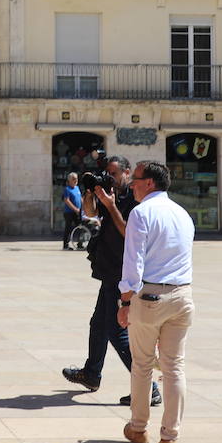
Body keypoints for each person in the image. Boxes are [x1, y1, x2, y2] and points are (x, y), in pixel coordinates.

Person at [62, 156, 161, 408]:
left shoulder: (132, 199)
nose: (111, 178)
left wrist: (111, 204)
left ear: (127, 173)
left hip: (122, 272)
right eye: (108, 173)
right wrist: (90, 193)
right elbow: (92, 213)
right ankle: (92, 373)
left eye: (115, 174)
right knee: (98, 324)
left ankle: (149, 387)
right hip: (109, 269)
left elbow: (128, 232)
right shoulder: (111, 193)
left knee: (117, 332)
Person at [118, 160, 195, 443]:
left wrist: (125, 301)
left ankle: (138, 428)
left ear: (149, 182)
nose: (131, 184)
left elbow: (133, 263)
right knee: (174, 367)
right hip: (183, 295)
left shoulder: (141, 213)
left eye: (135, 179)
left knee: (142, 364)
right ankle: (170, 438)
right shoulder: (182, 213)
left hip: (150, 296)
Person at [62, 172, 83, 250]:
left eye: (76, 178)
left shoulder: (77, 188)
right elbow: (66, 200)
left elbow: (80, 198)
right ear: (69, 180)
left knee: (80, 227)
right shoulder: (67, 189)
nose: (76, 180)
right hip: (69, 212)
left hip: (78, 212)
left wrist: (84, 206)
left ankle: (80, 243)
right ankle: (66, 245)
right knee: (68, 228)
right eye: (73, 179)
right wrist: (75, 209)